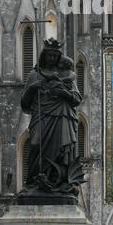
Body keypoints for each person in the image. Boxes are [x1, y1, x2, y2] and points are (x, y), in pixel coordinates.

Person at [21, 39, 83, 191]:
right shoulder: (34, 75)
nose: (52, 59)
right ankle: (33, 182)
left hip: (62, 116)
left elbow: (77, 99)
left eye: (55, 56)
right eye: (49, 55)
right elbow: (24, 103)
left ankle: (58, 182)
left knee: (60, 151)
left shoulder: (66, 75)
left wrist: (64, 94)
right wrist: (32, 88)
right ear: (44, 56)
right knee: (36, 145)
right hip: (41, 115)